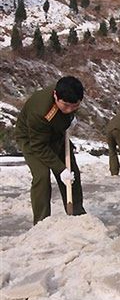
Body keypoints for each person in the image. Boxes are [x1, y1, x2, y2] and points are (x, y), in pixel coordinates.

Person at [15, 76, 87, 225]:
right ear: (55, 96)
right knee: (42, 176)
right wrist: (60, 169)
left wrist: (70, 118)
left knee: (72, 173)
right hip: (32, 139)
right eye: (66, 106)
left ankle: (77, 214)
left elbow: (69, 108)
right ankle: (42, 222)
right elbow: (39, 147)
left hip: (56, 134)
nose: (69, 110)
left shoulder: (68, 91)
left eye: (74, 107)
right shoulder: (40, 111)